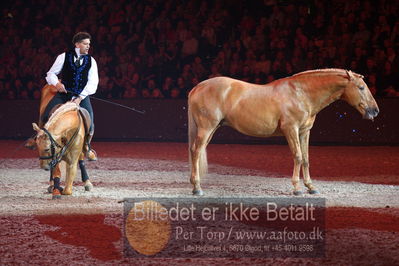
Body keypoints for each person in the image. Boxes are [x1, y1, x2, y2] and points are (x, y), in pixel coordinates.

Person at [42, 32, 99, 161]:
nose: (88, 46)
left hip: (81, 96)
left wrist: (80, 97)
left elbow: (93, 82)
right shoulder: (63, 57)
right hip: (63, 94)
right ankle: (39, 138)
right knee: (46, 115)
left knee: (90, 122)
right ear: (77, 45)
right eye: (85, 44)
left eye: (89, 44)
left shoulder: (91, 61)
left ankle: (87, 147)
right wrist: (56, 84)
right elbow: (51, 73)